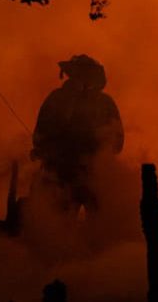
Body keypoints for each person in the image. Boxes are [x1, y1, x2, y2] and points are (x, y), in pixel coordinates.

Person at [31, 54, 123, 213]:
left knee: (98, 221)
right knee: (59, 219)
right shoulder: (57, 99)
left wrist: (99, 155)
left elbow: (117, 141)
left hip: (94, 173)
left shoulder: (104, 103)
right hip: (61, 172)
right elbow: (40, 133)